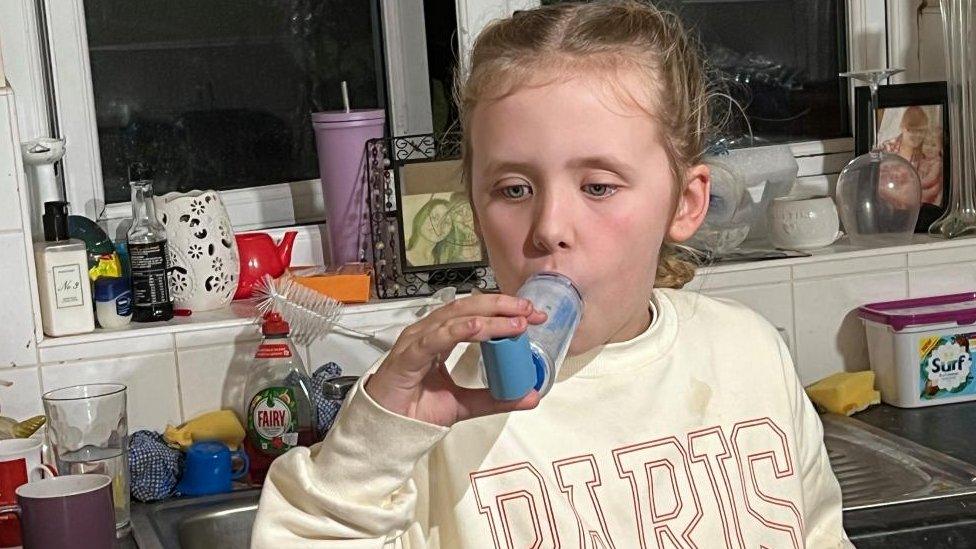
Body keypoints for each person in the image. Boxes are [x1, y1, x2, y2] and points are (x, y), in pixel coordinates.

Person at [252, 2, 851, 547]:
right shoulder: (434, 407)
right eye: (513, 189)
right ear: (475, 209)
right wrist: (373, 445)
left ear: (686, 203)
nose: (549, 227)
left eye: (598, 186)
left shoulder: (747, 352)